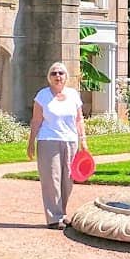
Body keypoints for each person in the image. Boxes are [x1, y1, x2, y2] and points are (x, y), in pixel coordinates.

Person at [27, 62, 88, 227]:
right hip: (48, 141)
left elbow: (79, 119)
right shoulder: (42, 95)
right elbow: (36, 120)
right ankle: (54, 217)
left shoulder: (74, 95)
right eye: (54, 73)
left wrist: (83, 140)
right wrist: (31, 142)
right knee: (51, 179)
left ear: (66, 76)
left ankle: (61, 213)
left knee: (67, 179)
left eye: (61, 73)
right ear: (49, 77)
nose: (57, 76)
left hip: (70, 140)